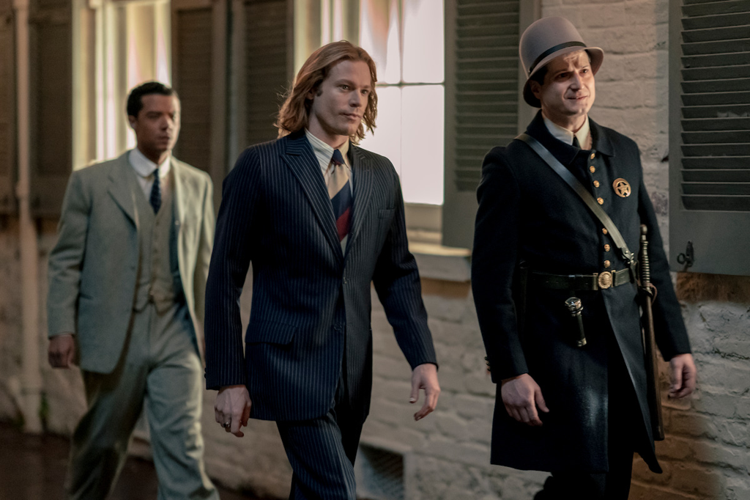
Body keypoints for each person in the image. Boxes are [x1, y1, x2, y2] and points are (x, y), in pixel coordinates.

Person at [471, 17, 697, 499]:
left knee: (615, 482)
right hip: (558, 350)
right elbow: (491, 282)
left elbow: (650, 257)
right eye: (562, 75)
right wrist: (510, 370)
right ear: (537, 89)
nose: (578, 83)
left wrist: (675, 345)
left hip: (623, 346)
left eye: (584, 71)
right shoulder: (512, 165)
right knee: (582, 485)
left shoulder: (624, 151)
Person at [204, 40, 440, 500]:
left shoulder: (380, 174)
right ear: (312, 90)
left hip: (352, 369)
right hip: (288, 363)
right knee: (337, 492)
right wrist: (230, 378)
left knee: (316, 492)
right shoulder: (262, 166)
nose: (357, 101)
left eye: (366, 92)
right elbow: (223, 280)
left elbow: (397, 275)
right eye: (345, 87)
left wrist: (423, 358)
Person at [47, 81, 218, 500]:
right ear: (132, 120)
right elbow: (66, 260)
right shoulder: (91, 182)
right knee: (103, 442)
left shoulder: (197, 184)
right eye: (155, 116)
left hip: (176, 332)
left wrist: (214, 333)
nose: (166, 125)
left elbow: (205, 266)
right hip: (113, 334)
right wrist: (61, 327)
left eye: (173, 116)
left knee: (184, 445)